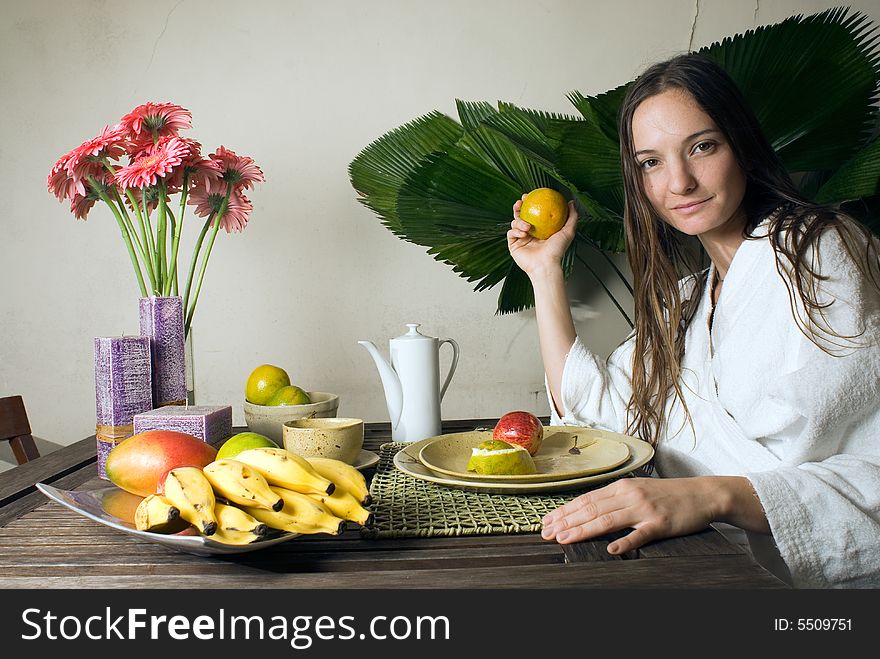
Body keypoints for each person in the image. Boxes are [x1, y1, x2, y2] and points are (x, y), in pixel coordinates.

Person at [507, 53, 880, 588]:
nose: (679, 182)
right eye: (651, 162)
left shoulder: (819, 250)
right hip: (709, 560)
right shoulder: (688, 300)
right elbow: (598, 412)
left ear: (741, 145)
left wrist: (707, 494)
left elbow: (827, 437)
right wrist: (545, 273)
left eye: (702, 146)